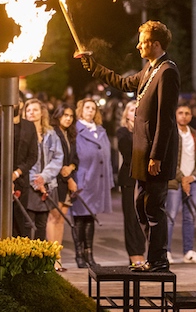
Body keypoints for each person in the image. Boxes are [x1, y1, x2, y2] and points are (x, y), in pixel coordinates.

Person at [81, 20, 180, 272]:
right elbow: (123, 83)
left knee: (154, 209)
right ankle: (152, 256)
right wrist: (93, 67)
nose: (138, 46)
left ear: (156, 44)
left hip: (155, 155)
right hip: (142, 153)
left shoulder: (167, 71)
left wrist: (157, 156)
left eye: (143, 41)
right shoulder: (150, 69)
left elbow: (165, 119)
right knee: (140, 206)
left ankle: (159, 260)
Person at [0, 94, 38, 238]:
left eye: (17, 101)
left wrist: (16, 173)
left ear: (21, 104)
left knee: (19, 223)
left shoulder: (28, 126)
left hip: (21, 180)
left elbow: (33, 155)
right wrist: (4, 176)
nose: (13, 103)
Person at [72, 98, 114, 268]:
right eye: (87, 108)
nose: (90, 111)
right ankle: (79, 254)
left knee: (91, 216)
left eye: (93, 108)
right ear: (81, 110)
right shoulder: (76, 130)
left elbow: (108, 157)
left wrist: (109, 180)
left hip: (98, 180)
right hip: (83, 179)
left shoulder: (100, 130)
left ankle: (89, 253)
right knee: (79, 218)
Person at [166, 100, 196, 264]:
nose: (184, 116)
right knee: (170, 216)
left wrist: (192, 177)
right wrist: (182, 178)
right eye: (180, 113)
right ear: (175, 115)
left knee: (190, 217)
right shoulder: (170, 133)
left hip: (192, 181)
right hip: (175, 182)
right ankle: (166, 251)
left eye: (187, 113)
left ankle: (188, 251)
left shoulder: (195, 134)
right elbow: (170, 159)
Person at [23, 99, 64, 241]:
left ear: (42, 113)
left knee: (42, 224)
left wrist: (44, 177)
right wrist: (35, 180)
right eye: (28, 110)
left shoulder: (51, 134)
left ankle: (39, 260)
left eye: (35, 110)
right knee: (27, 224)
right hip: (29, 185)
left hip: (47, 185)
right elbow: (24, 160)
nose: (31, 113)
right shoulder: (23, 134)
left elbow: (58, 157)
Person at [47, 103, 79, 271]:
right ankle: (52, 259)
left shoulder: (70, 134)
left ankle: (57, 259)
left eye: (71, 116)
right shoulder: (53, 133)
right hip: (56, 181)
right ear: (58, 116)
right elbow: (52, 158)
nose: (68, 118)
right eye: (65, 115)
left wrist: (71, 169)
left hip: (66, 181)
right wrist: (67, 177)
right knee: (54, 218)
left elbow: (75, 160)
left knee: (61, 220)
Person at [117, 100, 147, 268]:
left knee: (142, 216)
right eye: (131, 110)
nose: (134, 112)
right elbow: (128, 152)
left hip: (144, 178)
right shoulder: (122, 132)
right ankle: (134, 253)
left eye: (138, 109)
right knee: (130, 217)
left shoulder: (145, 131)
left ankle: (141, 251)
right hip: (129, 178)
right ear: (126, 114)